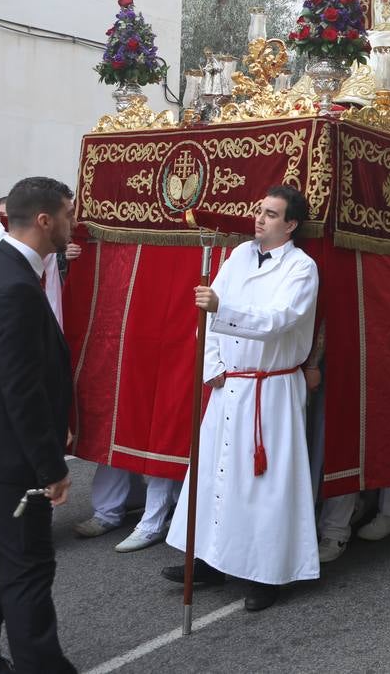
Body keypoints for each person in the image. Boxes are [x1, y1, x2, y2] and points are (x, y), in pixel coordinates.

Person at [163, 186, 320, 612]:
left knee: (264, 485)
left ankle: (267, 573)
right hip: (230, 384)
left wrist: (222, 307)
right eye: (258, 211)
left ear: (290, 224)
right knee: (216, 476)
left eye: (271, 214)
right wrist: (213, 365)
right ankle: (212, 559)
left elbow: (279, 320)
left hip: (271, 388)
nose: (259, 219)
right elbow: (208, 319)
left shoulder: (302, 269)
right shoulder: (237, 257)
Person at [0, 176, 78, 674]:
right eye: (68, 214)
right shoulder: (14, 285)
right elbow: (20, 390)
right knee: (28, 568)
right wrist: (52, 467)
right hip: (10, 459)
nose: (74, 223)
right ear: (45, 220)